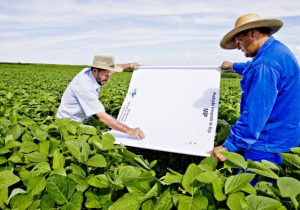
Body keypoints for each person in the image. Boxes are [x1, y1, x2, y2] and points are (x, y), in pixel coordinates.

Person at [210, 14, 300, 168]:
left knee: (251, 189)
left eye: (239, 40)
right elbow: (251, 67)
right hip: (285, 135)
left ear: (252, 33)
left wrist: (228, 146)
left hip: (266, 142)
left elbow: (255, 113)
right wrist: (232, 66)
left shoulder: (265, 64)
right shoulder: (277, 51)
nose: (238, 46)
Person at [56, 55, 145, 139]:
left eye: (109, 75)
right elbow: (102, 117)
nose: (107, 78)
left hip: (81, 119)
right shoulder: (85, 86)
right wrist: (129, 130)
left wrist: (130, 65)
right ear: (95, 71)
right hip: (68, 124)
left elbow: (113, 68)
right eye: (106, 75)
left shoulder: (90, 71)